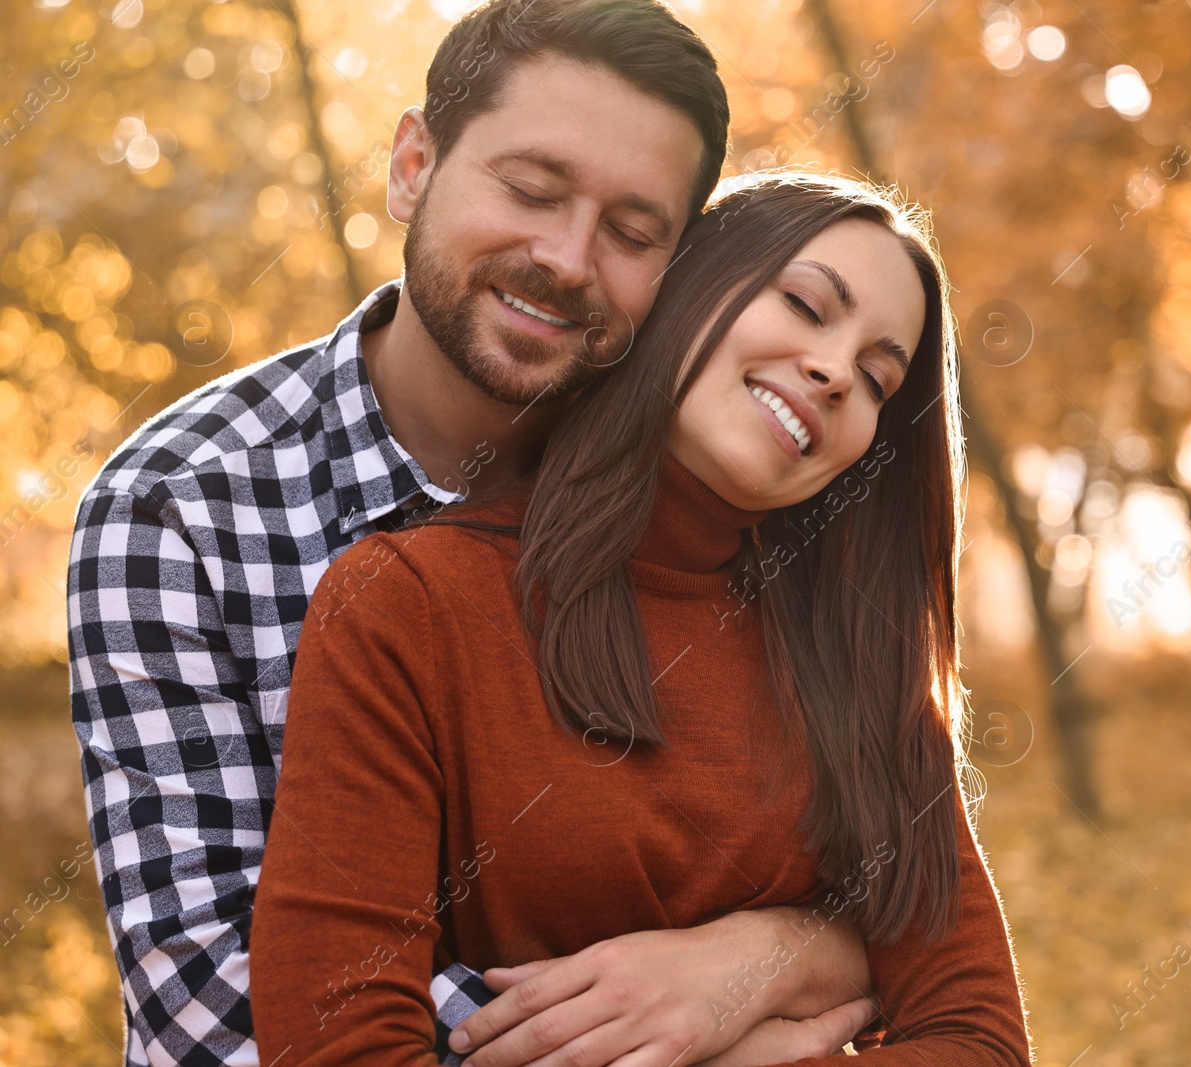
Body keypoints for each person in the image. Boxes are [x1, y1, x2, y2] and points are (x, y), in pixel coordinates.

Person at [65, 3, 878, 1064]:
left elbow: (900, 904)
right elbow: (219, 1006)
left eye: (633, 234)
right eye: (531, 191)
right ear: (413, 166)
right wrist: (680, 1039)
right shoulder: (178, 511)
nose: (567, 257)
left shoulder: (705, 513)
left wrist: (780, 952)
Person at [250, 171, 1033, 1067]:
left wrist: (767, 966)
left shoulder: (860, 668)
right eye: (808, 306)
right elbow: (337, 1049)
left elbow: (982, 1043)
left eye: (875, 377)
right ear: (688, 287)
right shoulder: (406, 608)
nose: (832, 373)